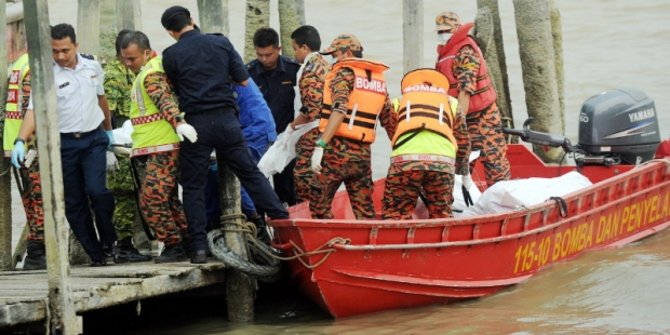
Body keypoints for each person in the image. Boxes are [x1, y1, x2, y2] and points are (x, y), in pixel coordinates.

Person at [160, 6, 288, 264]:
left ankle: (198, 248)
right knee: (250, 174)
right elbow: (242, 81)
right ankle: (283, 221)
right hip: (226, 120)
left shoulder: (170, 54)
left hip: (195, 125)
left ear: (171, 32)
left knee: (193, 186)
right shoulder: (220, 43)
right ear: (192, 21)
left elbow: (175, 87)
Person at [11, 23, 116, 266]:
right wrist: (20, 140)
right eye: (55, 51)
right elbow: (33, 111)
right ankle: (96, 254)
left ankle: (110, 241)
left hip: (93, 140)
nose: (60, 56)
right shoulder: (45, 73)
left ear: (76, 46)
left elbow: (102, 99)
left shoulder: (92, 65)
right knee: (74, 204)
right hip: (64, 144)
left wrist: (109, 132)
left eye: (65, 51)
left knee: (97, 191)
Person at [120, 30, 193, 263]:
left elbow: (164, 102)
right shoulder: (149, 70)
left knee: (151, 200)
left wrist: (178, 122)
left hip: (163, 147)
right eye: (124, 59)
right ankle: (186, 240)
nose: (128, 63)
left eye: (132, 58)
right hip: (156, 146)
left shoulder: (151, 75)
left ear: (147, 52)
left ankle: (174, 244)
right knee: (168, 199)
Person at [310, 33, 397, 219]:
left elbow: (339, 110)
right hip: (363, 155)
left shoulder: (343, 74)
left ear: (347, 52)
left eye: (335, 55)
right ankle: (367, 245)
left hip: (336, 151)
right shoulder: (378, 81)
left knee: (319, 206)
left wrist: (320, 145)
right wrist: (399, 150)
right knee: (365, 211)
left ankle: (330, 244)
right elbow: (389, 119)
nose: (333, 60)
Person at [382, 68, 472, 219]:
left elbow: (393, 132)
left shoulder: (399, 101)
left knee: (395, 214)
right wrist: (463, 172)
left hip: (405, 163)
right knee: (441, 214)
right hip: (442, 164)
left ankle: (396, 240)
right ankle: (442, 241)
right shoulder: (452, 103)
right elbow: (463, 140)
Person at [435, 11, 511, 187]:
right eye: (439, 31)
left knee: (495, 164)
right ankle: (460, 204)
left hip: (483, 118)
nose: (442, 34)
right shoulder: (446, 53)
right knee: (459, 167)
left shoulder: (465, 51)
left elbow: (465, 91)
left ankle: (501, 203)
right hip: (464, 118)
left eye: (446, 30)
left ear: (457, 28)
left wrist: (457, 125)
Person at [205, 78, 277, 242]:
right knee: (214, 173)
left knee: (241, 176)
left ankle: (257, 226)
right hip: (247, 129)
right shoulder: (223, 68)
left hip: (253, 131)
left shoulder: (220, 74)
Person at [104, 30, 152, 263]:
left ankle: (130, 243)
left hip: (134, 137)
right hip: (121, 141)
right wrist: (113, 140)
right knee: (125, 195)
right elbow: (108, 112)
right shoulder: (114, 75)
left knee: (135, 194)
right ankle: (123, 246)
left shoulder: (136, 71)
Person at [246, 27, 300, 207]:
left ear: (278, 49)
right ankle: (259, 224)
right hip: (258, 139)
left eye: (268, 54)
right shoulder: (248, 74)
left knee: (287, 187)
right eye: (260, 54)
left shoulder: (293, 71)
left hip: (286, 137)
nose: (264, 59)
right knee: (257, 187)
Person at [3, 52, 47, 270]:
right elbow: (31, 108)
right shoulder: (34, 66)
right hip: (30, 145)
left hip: (16, 144)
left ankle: (37, 252)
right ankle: (37, 253)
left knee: (31, 201)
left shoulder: (21, 63)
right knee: (40, 201)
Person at [287, 25, 330, 203]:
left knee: (303, 176)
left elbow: (311, 109)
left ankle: (308, 213)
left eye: (295, 48)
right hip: (327, 130)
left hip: (312, 131)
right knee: (322, 175)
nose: (295, 53)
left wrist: (293, 125)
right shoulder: (326, 65)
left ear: (305, 47)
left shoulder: (310, 71)